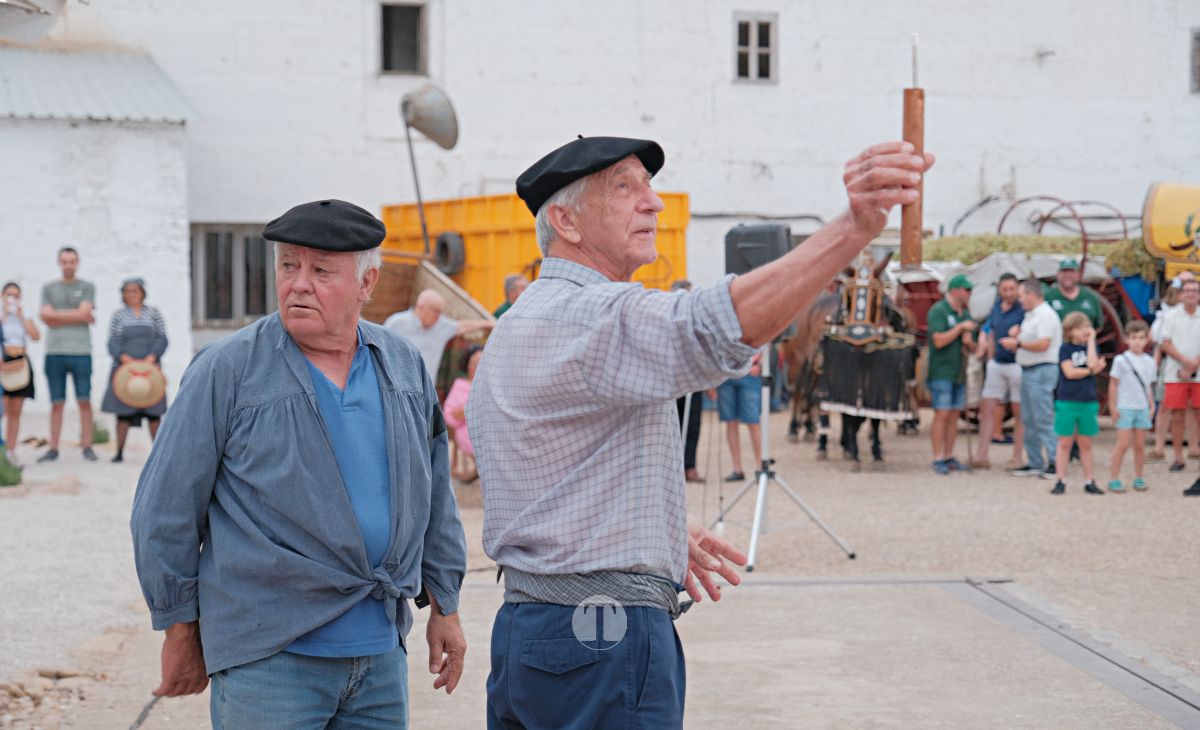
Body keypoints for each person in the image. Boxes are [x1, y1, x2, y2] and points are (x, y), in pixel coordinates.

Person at [468, 135, 933, 727]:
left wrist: (639, 525)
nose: (654, 203)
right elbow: (710, 330)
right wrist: (853, 227)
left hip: (538, 629)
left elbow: (540, 462)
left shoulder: (527, 317)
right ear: (566, 221)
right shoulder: (584, 314)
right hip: (600, 635)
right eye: (625, 187)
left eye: (649, 186)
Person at [130, 199, 468, 727]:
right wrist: (180, 627)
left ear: (366, 283)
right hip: (270, 659)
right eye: (289, 266)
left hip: (379, 656)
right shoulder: (228, 369)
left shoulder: (402, 365)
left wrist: (444, 602)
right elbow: (166, 506)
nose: (298, 284)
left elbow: (435, 493)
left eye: (320, 270)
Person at [39, 247, 97, 462]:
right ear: (59, 263)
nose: (68, 265)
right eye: (64, 261)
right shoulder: (48, 288)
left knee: (84, 400)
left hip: (81, 351)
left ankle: (87, 446)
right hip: (54, 351)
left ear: (78, 262)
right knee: (57, 402)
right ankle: (53, 448)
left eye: (72, 261)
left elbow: (52, 316)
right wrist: (80, 316)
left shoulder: (88, 287)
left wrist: (55, 316)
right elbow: (44, 315)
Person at [100, 278, 168, 463]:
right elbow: (112, 341)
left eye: (135, 291)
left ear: (142, 293)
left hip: (150, 370)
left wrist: (152, 357)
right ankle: (119, 452)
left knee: (154, 413)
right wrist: (123, 357)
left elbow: (162, 338)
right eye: (128, 291)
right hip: (125, 370)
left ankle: (158, 454)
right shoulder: (118, 315)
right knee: (123, 413)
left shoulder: (153, 313)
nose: (132, 295)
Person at [1007, 279, 1062, 479]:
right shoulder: (1031, 316)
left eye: (1021, 295)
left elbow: (1043, 344)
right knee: (1029, 418)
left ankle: (1056, 461)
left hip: (1042, 369)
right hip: (1029, 369)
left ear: (1031, 295)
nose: (1019, 300)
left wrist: (1018, 344)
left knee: (1043, 417)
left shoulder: (1045, 315)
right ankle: (1035, 462)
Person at [971, 273, 1025, 470]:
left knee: (1019, 410)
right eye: (1005, 290)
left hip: (1017, 363)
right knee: (987, 407)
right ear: (1000, 291)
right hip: (997, 363)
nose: (1009, 293)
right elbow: (989, 328)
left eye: (1012, 289)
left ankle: (1017, 456)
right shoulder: (996, 308)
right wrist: (985, 343)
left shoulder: (1024, 309)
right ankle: (982, 454)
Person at [1050, 312, 1106, 495]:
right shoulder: (1065, 349)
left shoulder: (1091, 347)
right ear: (1070, 331)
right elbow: (1070, 372)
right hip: (1067, 400)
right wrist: (1090, 371)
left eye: (1086, 327)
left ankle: (1089, 480)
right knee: (1064, 442)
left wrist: (1091, 342)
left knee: (1086, 443)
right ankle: (1061, 479)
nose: (1084, 331)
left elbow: (1091, 362)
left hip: (1087, 400)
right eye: (1080, 328)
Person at [384, 289, 494, 380]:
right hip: (396, 386)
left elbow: (462, 326)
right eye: (435, 311)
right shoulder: (397, 323)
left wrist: (489, 324)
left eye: (440, 312)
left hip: (424, 392)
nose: (438, 316)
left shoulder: (441, 325)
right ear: (421, 307)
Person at [926, 274, 976, 475]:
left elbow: (972, 346)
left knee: (955, 414)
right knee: (942, 413)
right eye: (966, 290)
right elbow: (938, 340)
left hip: (959, 372)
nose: (969, 293)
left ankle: (949, 455)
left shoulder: (966, 313)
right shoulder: (938, 311)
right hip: (941, 371)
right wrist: (959, 329)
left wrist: (969, 342)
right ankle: (937, 457)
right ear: (954, 291)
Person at [1107, 320, 1156, 492]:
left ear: (1146, 340)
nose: (1137, 342)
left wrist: (1151, 404)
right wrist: (1112, 406)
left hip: (1141, 406)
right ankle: (1114, 477)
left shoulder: (1149, 361)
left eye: (1141, 338)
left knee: (1140, 445)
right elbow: (1113, 384)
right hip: (1125, 406)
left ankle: (1139, 476)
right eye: (1134, 338)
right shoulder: (1121, 360)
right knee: (1122, 444)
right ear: (1127, 340)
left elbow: (1148, 385)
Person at [1158, 278, 1200, 472]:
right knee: (1177, 415)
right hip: (1175, 374)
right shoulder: (1171, 316)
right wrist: (1185, 362)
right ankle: (1177, 457)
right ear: (1181, 294)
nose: (1191, 294)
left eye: (1195, 291)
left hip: (1196, 373)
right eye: (1187, 291)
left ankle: (1194, 449)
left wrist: (1193, 365)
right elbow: (1165, 342)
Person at [2, 282, 41, 467]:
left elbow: (35, 335)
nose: (12, 298)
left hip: (19, 363)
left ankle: (10, 451)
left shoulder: (23, 316)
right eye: (9, 294)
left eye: (16, 295)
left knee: (15, 412)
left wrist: (21, 316)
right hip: (2, 362)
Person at [671, 279, 705, 482]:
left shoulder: (696, 324)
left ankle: (690, 467)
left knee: (693, 425)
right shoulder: (666, 321)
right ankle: (675, 469)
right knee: (674, 425)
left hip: (693, 383)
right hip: (673, 383)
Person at [718, 351, 763, 481]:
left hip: (749, 370)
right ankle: (737, 468)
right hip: (726, 373)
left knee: (753, 422)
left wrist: (759, 364)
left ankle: (760, 466)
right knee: (730, 422)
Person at [443, 344, 483, 482]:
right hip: (469, 438)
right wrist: (469, 408)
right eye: (474, 363)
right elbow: (449, 415)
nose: (477, 367)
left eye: (481, 362)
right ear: (468, 365)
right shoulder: (460, 386)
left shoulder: (494, 386)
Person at [1046, 258, 1104, 329]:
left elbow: (1098, 325)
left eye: (1071, 271)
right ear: (1057, 274)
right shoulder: (1048, 297)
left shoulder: (1091, 297)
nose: (1068, 275)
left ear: (1078, 275)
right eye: (1064, 271)